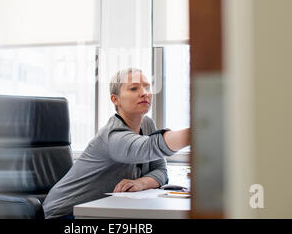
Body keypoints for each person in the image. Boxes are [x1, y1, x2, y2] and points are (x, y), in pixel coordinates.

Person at [42, 68, 191, 219]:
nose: (144, 92)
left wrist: (141, 183)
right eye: (133, 88)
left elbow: (161, 171)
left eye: (147, 87)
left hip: (99, 210)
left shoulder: (147, 125)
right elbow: (149, 148)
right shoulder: (112, 135)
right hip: (64, 213)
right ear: (115, 99)